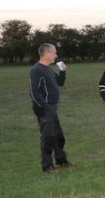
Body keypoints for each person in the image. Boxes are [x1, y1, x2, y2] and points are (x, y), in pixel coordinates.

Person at [29, 43, 73, 172]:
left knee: (58, 136)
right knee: (48, 137)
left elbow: (60, 82)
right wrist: (44, 106)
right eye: (54, 52)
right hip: (45, 107)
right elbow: (33, 91)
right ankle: (47, 166)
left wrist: (63, 71)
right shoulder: (36, 70)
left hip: (52, 107)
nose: (56, 55)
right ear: (47, 53)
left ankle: (61, 161)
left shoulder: (48, 69)